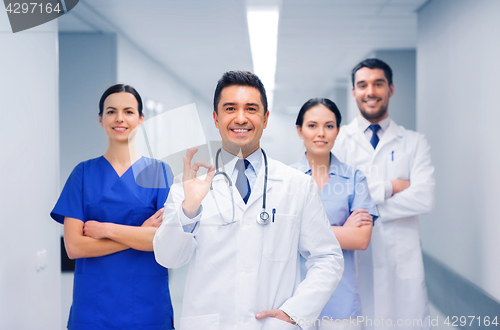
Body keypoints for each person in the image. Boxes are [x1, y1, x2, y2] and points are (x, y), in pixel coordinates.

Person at [153, 71, 344, 330]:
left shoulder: (297, 185)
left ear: (265, 119)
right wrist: (190, 209)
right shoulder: (187, 184)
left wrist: (295, 312)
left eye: (251, 109)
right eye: (230, 108)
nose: (241, 118)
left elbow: (327, 258)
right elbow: (168, 258)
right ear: (216, 118)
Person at [51, 84, 174, 330]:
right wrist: (139, 232)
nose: (119, 118)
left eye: (128, 111)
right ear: (100, 119)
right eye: (111, 111)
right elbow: (74, 247)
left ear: (141, 119)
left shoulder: (158, 172)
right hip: (94, 305)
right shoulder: (83, 174)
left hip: (146, 304)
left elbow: (164, 240)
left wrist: (106, 229)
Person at [332, 59, 435, 329]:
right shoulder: (338, 141)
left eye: (378, 84)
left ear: (391, 89)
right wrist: (390, 187)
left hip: (402, 262)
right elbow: (335, 199)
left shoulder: (414, 142)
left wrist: (363, 207)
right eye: (362, 85)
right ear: (353, 91)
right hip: (356, 262)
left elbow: (423, 197)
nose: (371, 91)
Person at [291, 98, 378, 330]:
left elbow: (361, 239)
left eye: (329, 126)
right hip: (294, 298)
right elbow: (281, 235)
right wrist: (344, 230)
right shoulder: (286, 180)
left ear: (338, 131)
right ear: (299, 130)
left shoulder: (354, 178)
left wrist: (302, 231)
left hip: (341, 298)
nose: (321, 133)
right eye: (312, 125)